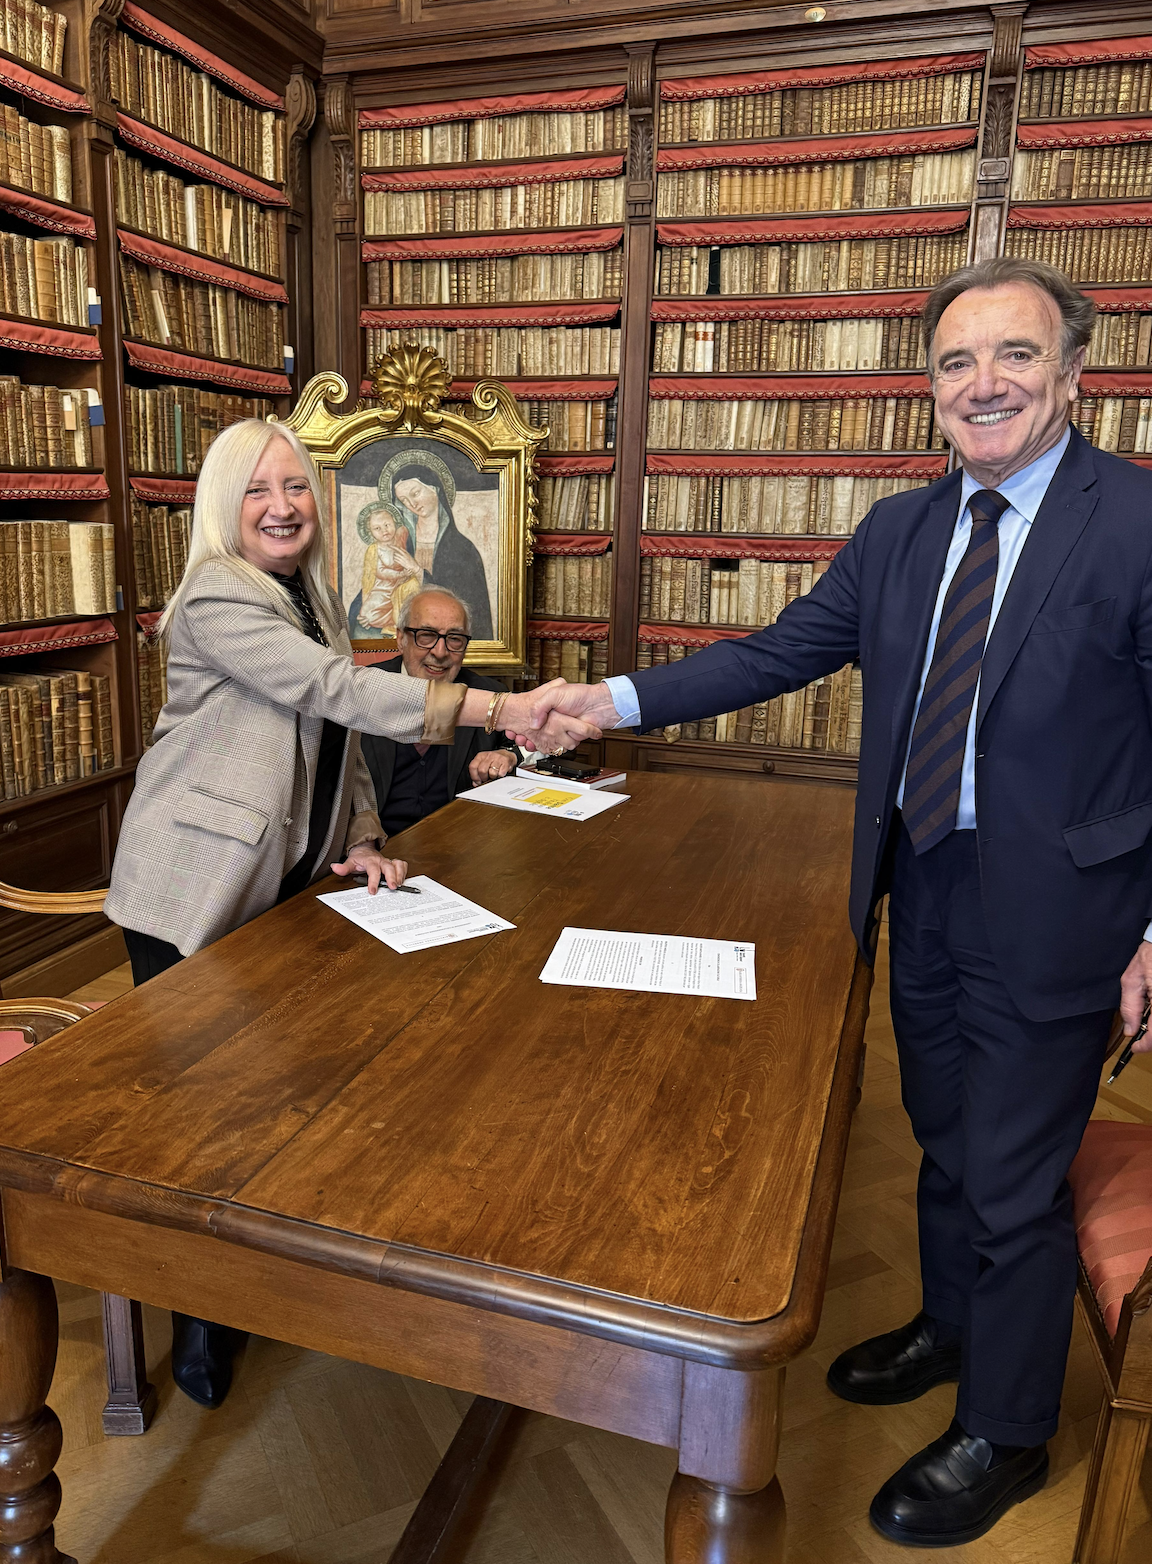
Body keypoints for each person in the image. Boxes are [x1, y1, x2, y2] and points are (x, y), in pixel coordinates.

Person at [522, 256, 1152, 1548]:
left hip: (1063, 913)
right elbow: (775, 652)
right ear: (930, 390)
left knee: (1016, 1178)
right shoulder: (900, 533)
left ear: (1074, 374)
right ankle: (954, 1326)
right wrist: (606, 702)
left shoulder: (1137, 522)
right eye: (957, 361)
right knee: (942, 1133)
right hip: (920, 885)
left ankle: (1010, 1430)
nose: (984, 383)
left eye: (1015, 354)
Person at [104, 418, 594, 1410]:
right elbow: (335, 688)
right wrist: (497, 708)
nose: (283, 505)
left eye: (296, 486)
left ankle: (259, 1265)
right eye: (258, 489)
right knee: (202, 1116)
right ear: (224, 504)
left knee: (268, 1093)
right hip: (192, 884)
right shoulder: (217, 595)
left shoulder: (311, 593)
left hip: (280, 879)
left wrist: (363, 837)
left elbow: (336, 741)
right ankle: (200, 1312)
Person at [363, 586, 518, 834]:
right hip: (376, 845)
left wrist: (508, 755)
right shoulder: (364, 688)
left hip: (460, 841)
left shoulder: (489, 694)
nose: (440, 652)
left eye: (454, 639)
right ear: (401, 639)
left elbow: (539, 748)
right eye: (426, 635)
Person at [391, 464, 494, 638]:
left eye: (415, 493)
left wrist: (417, 570)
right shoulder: (403, 541)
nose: (412, 504)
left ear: (434, 488)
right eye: (404, 500)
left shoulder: (462, 548)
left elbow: (468, 605)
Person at [354, 500, 424, 637]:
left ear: (394, 524)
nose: (384, 530)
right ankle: (389, 623)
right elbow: (380, 571)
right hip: (383, 588)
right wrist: (400, 574)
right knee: (368, 614)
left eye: (387, 525)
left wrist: (407, 573)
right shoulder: (375, 550)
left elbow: (410, 562)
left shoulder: (401, 543)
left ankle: (396, 624)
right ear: (371, 532)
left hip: (400, 585)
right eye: (377, 528)